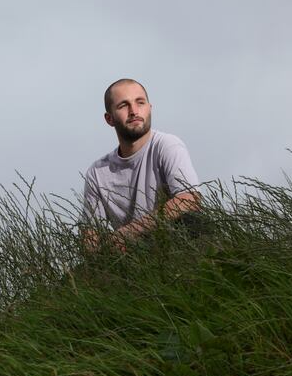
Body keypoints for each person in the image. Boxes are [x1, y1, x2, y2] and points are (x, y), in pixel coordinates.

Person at [81, 78, 202, 252]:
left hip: (174, 243)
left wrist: (130, 232)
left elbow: (189, 200)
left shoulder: (167, 145)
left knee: (195, 222)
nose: (134, 111)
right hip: (129, 254)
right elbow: (90, 237)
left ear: (149, 108)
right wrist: (106, 249)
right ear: (109, 119)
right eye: (123, 105)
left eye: (140, 102)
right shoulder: (97, 172)